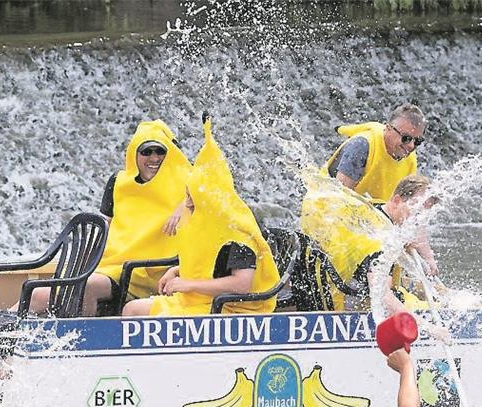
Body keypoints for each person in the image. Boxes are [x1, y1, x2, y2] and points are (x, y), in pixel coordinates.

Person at [26, 120, 191, 316]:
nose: (154, 158)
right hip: (109, 265)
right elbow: (105, 228)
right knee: (36, 294)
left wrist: (186, 203)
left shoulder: (190, 181)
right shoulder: (118, 182)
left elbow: (215, 184)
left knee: (86, 286)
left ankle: (80, 341)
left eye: (160, 151)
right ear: (134, 154)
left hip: (143, 272)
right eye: (146, 152)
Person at [122, 118, 280, 317]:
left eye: (191, 196)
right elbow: (209, 265)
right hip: (197, 300)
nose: (186, 203)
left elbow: (241, 284)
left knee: (137, 312)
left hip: (226, 309)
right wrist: (177, 271)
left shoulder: (237, 234)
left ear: (206, 199)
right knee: (132, 309)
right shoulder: (206, 224)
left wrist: (188, 285)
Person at [301, 173, 440, 313]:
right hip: (344, 303)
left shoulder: (378, 208)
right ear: (397, 200)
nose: (419, 219)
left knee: (431, 296)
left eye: (424, 214)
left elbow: (416, 231)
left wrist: (428, 258)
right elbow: (383, 296)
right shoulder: (380, 241)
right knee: (426, 308)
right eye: (416, 211)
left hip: (330, 277)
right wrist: (431, 329)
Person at [323, 104, 425, 203]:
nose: (411, 146)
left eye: (417, 141)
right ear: (388, 129)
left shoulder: (409, 157)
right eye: (406, 138)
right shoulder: (361, 146)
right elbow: (337, 199)